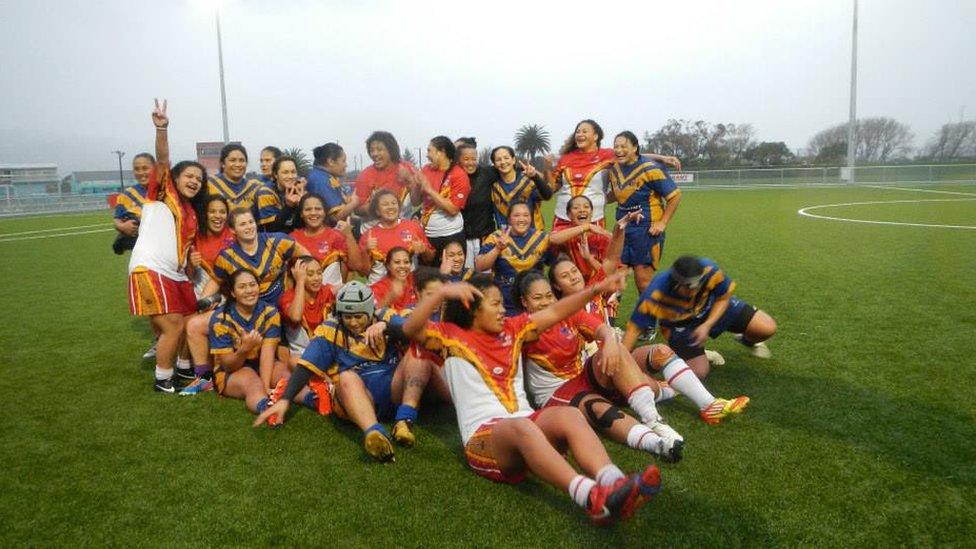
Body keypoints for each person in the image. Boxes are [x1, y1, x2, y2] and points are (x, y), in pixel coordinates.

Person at [388, 273, 660, 525]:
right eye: (495, 304)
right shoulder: (448, 337)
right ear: (472, 307)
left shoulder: (513, 328)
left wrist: (596, 290)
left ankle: (615, 483)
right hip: (484, 438)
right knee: (522, 427)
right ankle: (591, 497)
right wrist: (441, 294)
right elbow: (411, 329)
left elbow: (555, 311)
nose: (503, 309)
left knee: (569, 414)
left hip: (525, 424)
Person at [254, 281, 437, 462]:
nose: (353, 322)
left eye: (359, 316)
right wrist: (285, 400)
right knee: (346, 377)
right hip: (358, 396)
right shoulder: (330, 330)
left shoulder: (385, 316)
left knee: (419, 352)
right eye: (347, 317)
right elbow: (305, 366)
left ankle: (404, 420)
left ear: (369, 311)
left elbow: (419, 332)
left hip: (393, 388)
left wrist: (388, 328)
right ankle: (374, 433)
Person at [514, 271, 683, 461]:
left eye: (548, 295)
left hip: (583, 378)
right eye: (537, 298)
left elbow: (603, 329)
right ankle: (658, 444)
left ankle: (655, 418)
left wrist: (610, 341)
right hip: (556, 393)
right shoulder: (520, 328)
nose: (545, 302)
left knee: (633, 362)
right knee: (599, 408)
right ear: (524, 301)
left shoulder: (568, 314)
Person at [127, 99, 208, 392]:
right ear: (174, 178)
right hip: (150, 268)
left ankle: (185, 369)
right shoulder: (162, 191)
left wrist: (190, 264)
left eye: (199, 179)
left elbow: (183, 250)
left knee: (191, 321)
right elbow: (162, 159)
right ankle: (163, 379)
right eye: (189, 176)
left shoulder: (190, 213)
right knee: (173, 325)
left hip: (176, 274)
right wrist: (162, 129)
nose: (195, 181)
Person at [623, 255, 777, 380]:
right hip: (680, 325)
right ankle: (691, 355)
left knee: (767, 328)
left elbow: (723, 297)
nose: (695, 289)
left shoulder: (709, 269)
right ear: (676, 284)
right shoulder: (655, 293)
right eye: (689, 287)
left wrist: (707, 325)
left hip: (711, 308)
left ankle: (746, 339)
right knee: (698, 373)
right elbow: (633, 331)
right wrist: (621, 362)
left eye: (698, 284)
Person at [548, 119, 680, 230]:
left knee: (591, 258)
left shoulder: (606, 155)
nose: (580, 134)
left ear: (595, 136)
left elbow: (630, 155)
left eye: (584, 131)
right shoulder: (565, 158)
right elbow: (552, 188)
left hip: (593, 219)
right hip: (563, 218)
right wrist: (546, 169)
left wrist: (661, 158)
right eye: (578, 131)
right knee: (562, 260)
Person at [608, 131, 682, 293]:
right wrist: (601, 200)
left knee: (643, 281)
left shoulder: (651, 168)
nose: (619, 150)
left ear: (635, 147)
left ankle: (649, 318)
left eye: (624, 146)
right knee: (615, 279)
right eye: (616, 147)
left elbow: (675, 196)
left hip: (646, 230)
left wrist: (662, 222)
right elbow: (619, 191)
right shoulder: (613, 167)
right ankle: (609, 319)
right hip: (622, 229)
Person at [475, 202, 550, 314]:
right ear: (509, 219)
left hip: (534, 302)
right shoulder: (497, 237)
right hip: (505, 302)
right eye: (517, 215)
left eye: (526, 215)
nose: (521, 219)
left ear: (531, 218)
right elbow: (480, 266)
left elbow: (554, 265)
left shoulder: (541, 238)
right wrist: (497, 249)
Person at [408, 136, 470, 260]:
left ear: (441, 152)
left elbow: (453, 210)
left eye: (429, 150)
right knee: (428, 277)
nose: (427, 155)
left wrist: (429, 190)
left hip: (451, 235)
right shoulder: (426, 169)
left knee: (450, 276)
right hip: (427, 234)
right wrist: (413, 184)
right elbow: (415, 201)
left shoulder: (459, 174)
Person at [289, 193, 365, 289]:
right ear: (301, 214)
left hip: (330, 298)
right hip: (302, 297)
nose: (313, 213)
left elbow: (356, 266)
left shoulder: (335, 236)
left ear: (325, 212)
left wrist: (349, 235)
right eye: (308, 209)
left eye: (318, 209)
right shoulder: (292, 238)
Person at [357, 189, 434, 283]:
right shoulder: (368, 235)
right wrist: (366, 251)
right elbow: (363, 273)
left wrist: (424, 250)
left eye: (394, 203)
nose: (390, 207)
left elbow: (430, 258)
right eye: (385, 204)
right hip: (380, 290)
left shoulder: (413, 227)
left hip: (408, 287)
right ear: (377, 211)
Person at [279, 256, 336, 367]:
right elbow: (296, 316)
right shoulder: (287, 298)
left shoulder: (326, 291)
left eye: (319, 273)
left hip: (326, 351)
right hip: (301, 355)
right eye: (309, 275)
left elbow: (344, 288)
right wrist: (300, 281)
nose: (316, 278)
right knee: (294, 362)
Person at [207, 143, 278, 228]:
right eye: (232, 160)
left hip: (248, 238)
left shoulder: (256, 188)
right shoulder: (209, 184)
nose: (238, 164)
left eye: (242, 160)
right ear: (223, 163)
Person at [353, 131, 415, 223]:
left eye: (379, 149)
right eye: (371, 150)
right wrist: (377, 204)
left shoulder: (407, 168)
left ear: (391, 150)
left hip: (403, 229)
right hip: (374, 230)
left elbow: (417, 202)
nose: (374, 154)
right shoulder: (365, 175)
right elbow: (357, 210)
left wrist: (409, 180)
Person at [489, 146, 552, 231]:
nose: (503, 162)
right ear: (494, 164)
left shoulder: (528, 181)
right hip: (507, 239)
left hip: (532, 236)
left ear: (513, 160)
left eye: (506, 158)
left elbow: (547, 195)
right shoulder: (494, 187)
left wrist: (535, 176)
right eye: (498, 160)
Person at [454, 138, 495, 270]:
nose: (471, 163)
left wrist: (534, 174)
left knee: (485, 279)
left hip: (485, 237)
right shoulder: (452, 178)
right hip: (462, 239)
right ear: (458, 160)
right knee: (465, 277)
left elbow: (511, 171)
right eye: (466, 159)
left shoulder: (487, 173)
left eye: (474, 159)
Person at [112, 152, 155, 255]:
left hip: (163, 246)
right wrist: (122, 227)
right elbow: (117, 219)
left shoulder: (165, 190)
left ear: (155, 169)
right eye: (137, 169)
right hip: (140, 252)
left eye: (145, 168)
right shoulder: (126, 195)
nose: (141, 172)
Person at [307, 143, 357, 221]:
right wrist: (355, 201)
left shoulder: (324, 176)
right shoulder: (320, 181)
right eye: (343, 161)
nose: (346, 165)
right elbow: (335, 217)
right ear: (331, 161)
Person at [265, 155, 307, 233]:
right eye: (285, 172)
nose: (290, 176)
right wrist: (288, 206)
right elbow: (270, 230)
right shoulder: (265, 193)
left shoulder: (299, 190)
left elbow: (301, 226)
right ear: (275, 175)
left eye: (293, 172)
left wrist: (302, 204)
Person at [370, 247, 418, 313]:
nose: (402, 266)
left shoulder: (417, 279)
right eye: (397, 262)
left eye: (406, 262)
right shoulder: (377, 288)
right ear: (388, 266)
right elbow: (373, 313)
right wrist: (390, 297)